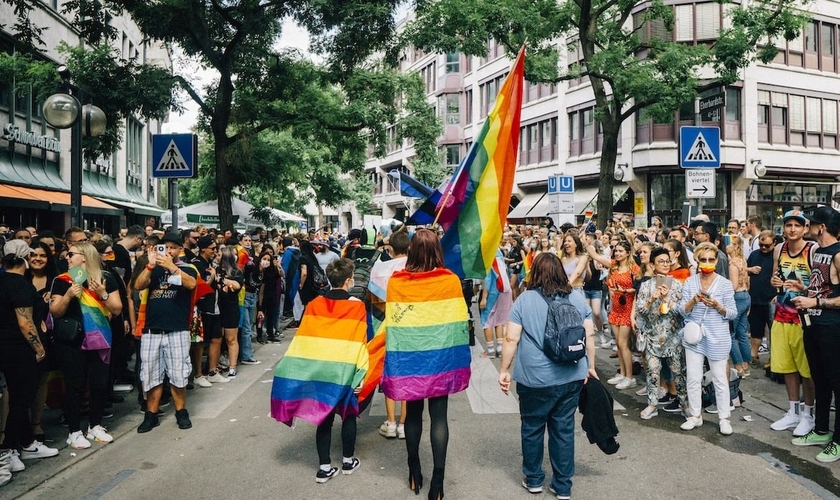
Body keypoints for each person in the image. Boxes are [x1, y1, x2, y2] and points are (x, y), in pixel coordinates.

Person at [380, 229, 471, 500]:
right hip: (440, 361)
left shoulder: (397, 282)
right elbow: (458, 325)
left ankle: (413, 469)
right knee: (439, 417)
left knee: (414, 414)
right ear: (438, 252)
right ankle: (438, 483)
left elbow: (394, 324)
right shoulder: (450, 281)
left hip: (410, 360)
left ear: (411, 251)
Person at [498, 252, 596, 499]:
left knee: (532, 428)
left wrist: (504, 370)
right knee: (563, 429)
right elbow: (590, 336)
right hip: (571, 375)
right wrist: (590, 367)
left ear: (535, 273)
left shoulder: (524, 300)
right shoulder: (576, 298)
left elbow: (511, 338)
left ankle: (533, 479)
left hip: (535, 378)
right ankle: (562, 486)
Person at [270, 258, 368, 483]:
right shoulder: (357, 306)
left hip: (319, 370)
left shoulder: (314, 304)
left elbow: (304, 340)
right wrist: (360, 373)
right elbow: (360, 341)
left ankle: (324, 467)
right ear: (348, 280)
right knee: (348, 415)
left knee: (323, 417)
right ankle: (347, 461)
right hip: (345, 370)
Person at [49, 241, 122, 448]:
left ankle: (95, 426)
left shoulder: (105, 278)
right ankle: (74, 431)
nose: (67, 257)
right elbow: (55, 312)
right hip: (73, 340)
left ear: (84, 256)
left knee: (99, 385)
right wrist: (69, 295)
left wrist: (102, 294)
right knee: (74, 385)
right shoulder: (62, 280)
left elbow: (116, 309)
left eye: (71, 254)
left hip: (100, 337)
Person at [0, 240, 59, 472]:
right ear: (24, 259)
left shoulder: (4, 281)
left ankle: (25, 444)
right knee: (20, 400)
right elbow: (25, 323)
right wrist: (39, 348)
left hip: (6, 348)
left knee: (17, 398)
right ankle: (10, 449)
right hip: (18, 349)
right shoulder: (21, 286)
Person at [133, 232, 199, 433]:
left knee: (178, 373)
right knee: (151, 374)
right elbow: (137, 286)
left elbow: (191, 284)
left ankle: (181, 412)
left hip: (177, 329)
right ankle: (151, 414)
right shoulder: (153, 268)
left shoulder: (187, 268)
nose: (168, 251)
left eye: (173, 247)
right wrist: (151, 265)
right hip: (152, 330)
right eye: (165, 247)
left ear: (180, 249)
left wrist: (172, 267)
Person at [791, 206, 840, 462]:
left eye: (810, 224)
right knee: (819, 380)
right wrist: (804, 289)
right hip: (813, 326)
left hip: (833, 328)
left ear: (822, 227)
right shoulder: (819, 252)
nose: (806, 227)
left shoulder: (839, 254)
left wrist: (817, 303)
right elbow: (823, 286)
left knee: (836, 383)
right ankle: (821, 430)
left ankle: (838, 442)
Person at [678, 242, 737, 435]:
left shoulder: (725, 284)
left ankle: (724, 417)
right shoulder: (690, 282)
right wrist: (693, 301)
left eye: (711, 259)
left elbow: (733, 313)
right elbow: (682, 311)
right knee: (693, 378)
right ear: (697, 259)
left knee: (720, 378)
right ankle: (695, 415)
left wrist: (718, 306)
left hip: (718, 336)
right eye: (703, 259)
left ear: (716, 260)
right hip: (695, 335)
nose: (707, 263)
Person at [769, 210, 817, 437]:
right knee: (787, 367)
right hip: (781, 314)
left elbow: (822, 289)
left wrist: (803, 289)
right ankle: (793, 411)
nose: (792, 229)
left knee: (806, 370)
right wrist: (775, 282)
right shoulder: (779, 249)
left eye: (798, 225)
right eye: (788, 225)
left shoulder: (813, 250)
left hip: (804, 319)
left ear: (806, 229)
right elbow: (774, 279)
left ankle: (809, 414)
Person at [635, 247, 687, 419]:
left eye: (667, 261)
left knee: (678, 371)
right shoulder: (646, 286)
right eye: (661, 261)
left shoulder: (678, 285)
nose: (665, 264)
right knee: (652, 371)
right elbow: (641, 311)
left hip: (673, 337)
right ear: (652, 265)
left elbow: (681, 311)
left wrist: (666, 299)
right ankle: (652, 404)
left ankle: (684, 403)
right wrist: (652, 299)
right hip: (652, 336)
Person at [588, 240, 639, 390]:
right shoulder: (613, 265)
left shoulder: (634, 268)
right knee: (618, 343)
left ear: (628, 252)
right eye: (616, 251)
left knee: (624, 344)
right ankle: (622, 374)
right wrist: (587, 241)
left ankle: (630, 377)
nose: (617, 253)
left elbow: (639, 289)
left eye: (621, 251)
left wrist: (625, 291)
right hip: (615, 307)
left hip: (627, 308)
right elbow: (595, 255)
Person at [747, 230, 775, 366]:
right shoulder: (754, 254)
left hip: (771, 298)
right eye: (761, 245)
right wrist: (750, 270)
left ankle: (773, 357)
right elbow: (743, 269)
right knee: (755, 329)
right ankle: (754, 355)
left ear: (774, 243)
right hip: (755, 297)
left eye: (767, 245)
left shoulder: (777, 256)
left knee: (773, 330)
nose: (764, 248)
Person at [724, 234, 752, 377]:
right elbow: (748, 281)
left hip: (737, 298)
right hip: (746, 296)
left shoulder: (733, 264)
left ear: (734, 246)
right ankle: (747, 364)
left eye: (728, 243)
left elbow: (733, 286)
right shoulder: (743, 260)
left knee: (730, 333)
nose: (725, 245)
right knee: (742, 333)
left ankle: (739, 366)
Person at [479, 248, 512, 358]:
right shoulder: (499, 254)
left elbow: (486, 281)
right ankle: (499, 349)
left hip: (492, 293)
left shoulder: (487, 257)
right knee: (499, 320)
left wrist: (483, 298)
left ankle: (490, 351)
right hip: (504, 291)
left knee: (487, 321)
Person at [216, 246, 244, 379]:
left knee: (231, 339)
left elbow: (237, 286)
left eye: (219, 254)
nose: (216, 256)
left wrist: (222, 280)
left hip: (230, 308)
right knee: (216, 339)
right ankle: (215, 365)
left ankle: (232, 367)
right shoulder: (214, 270)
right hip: (215, 308)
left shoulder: (236, 272)